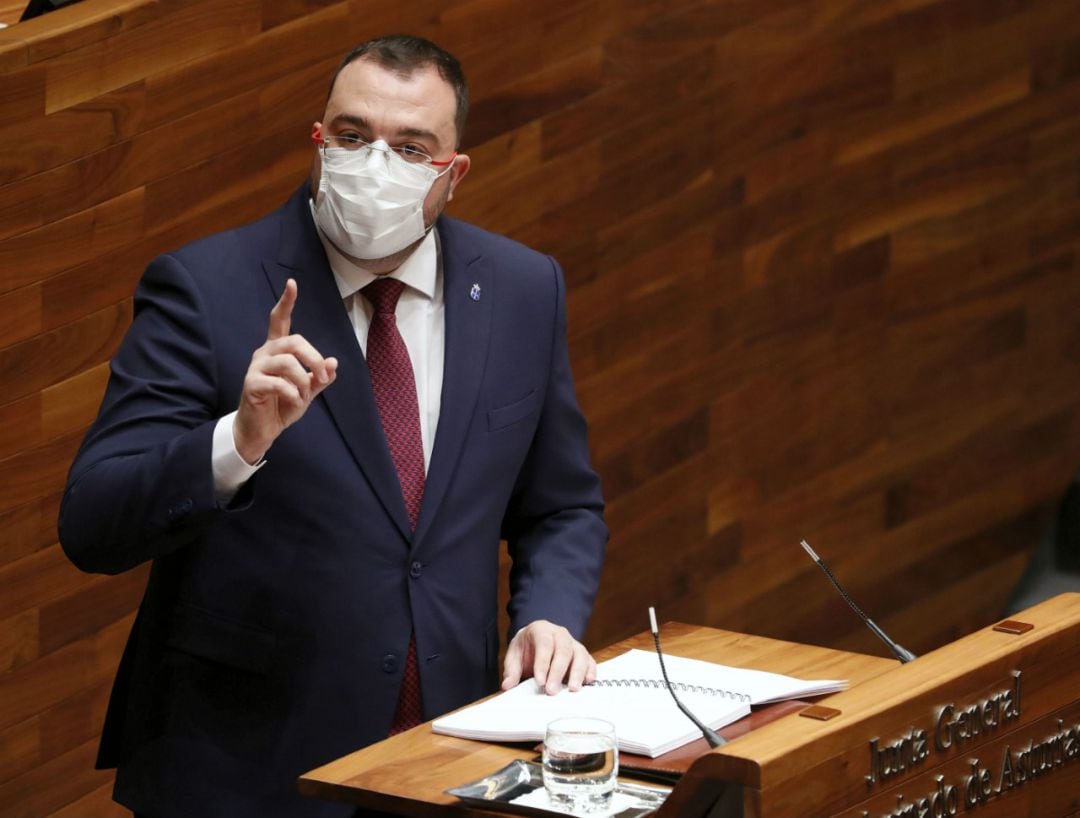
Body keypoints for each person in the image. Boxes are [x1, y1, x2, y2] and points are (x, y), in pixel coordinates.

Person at [58, 35, 607, 818]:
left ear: (453, 173)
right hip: (247, 776)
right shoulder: (206, 288)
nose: (374, 164)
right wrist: (235, 444)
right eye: (351, 136)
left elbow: (561, 506)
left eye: (410, 146)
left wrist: (549, 612)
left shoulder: (523, 289)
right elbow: (93, 522)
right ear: (318, 140)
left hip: (449, 760)